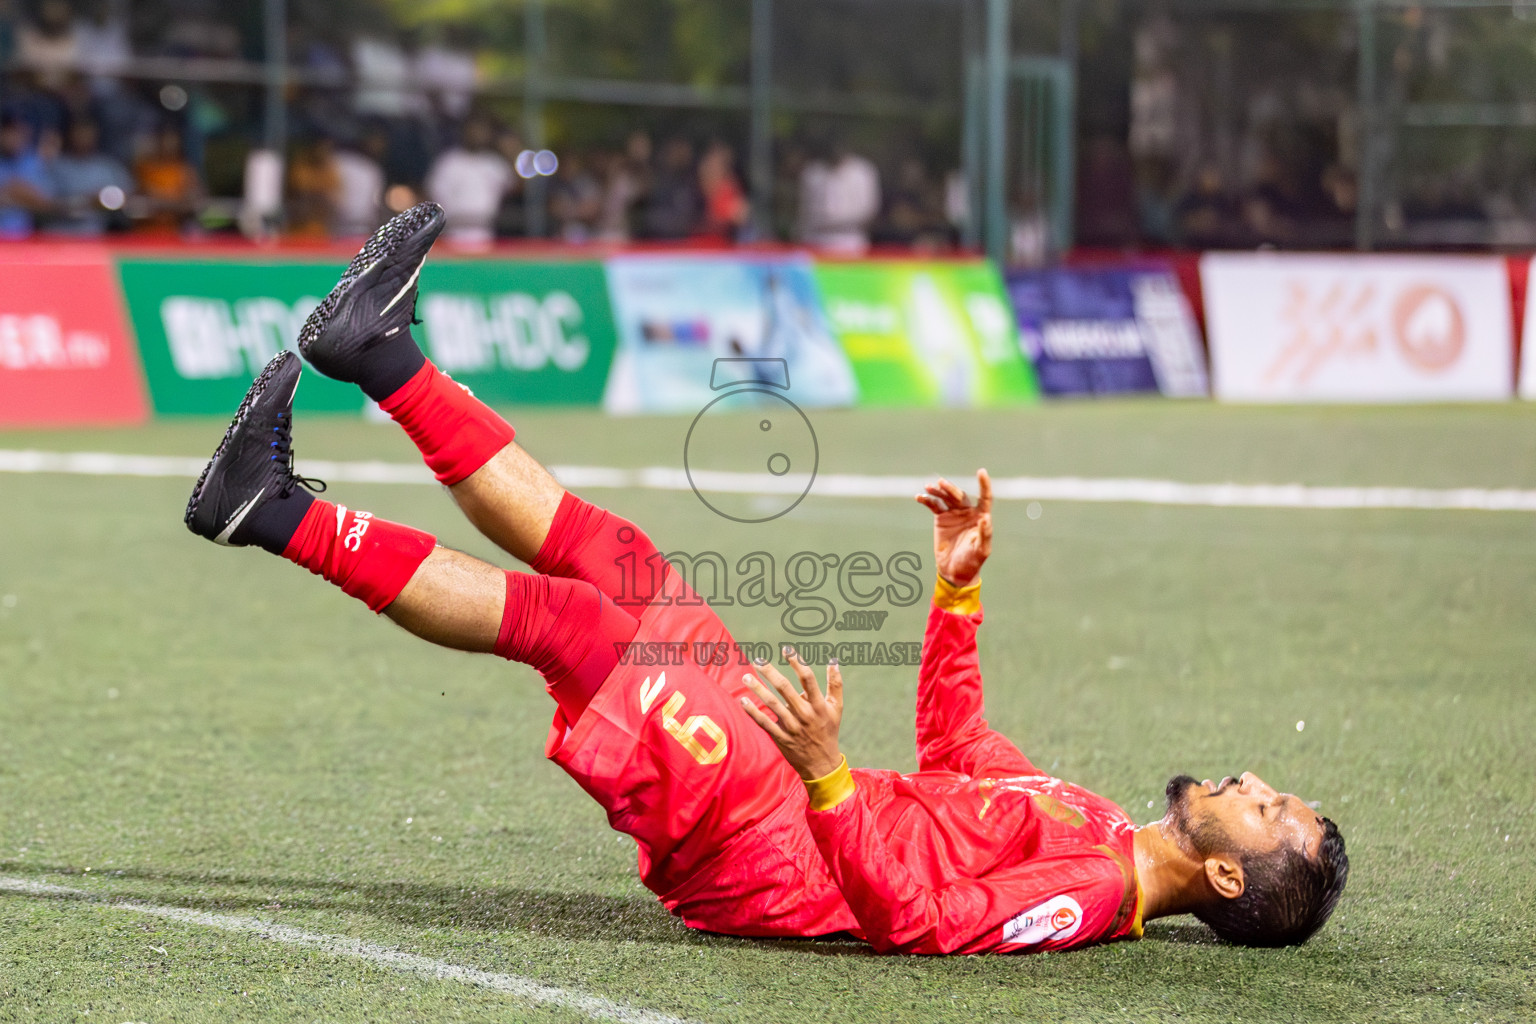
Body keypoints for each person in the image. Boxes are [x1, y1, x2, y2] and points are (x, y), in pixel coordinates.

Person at [184, 203, 1349, 955]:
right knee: (614, 557)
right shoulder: (1098, 823)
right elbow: (958, 748)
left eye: (1269, 806)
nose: (1254, 779)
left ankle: (275, 509)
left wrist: (835, 779)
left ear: (1231, 871)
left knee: (579, 627)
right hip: (783, 793)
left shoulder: (1092, 896)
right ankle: (372, 353)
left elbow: (919, 919)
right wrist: (955, 597)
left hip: (772, 846)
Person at [424, 115, 513, 246]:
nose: (477, 134)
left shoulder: (495, 164)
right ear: (465, 131)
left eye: (482, 130)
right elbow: (432, 196)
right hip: (452, 235)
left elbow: (516, 188)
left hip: (486, 235)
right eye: (474, 129)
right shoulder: (449, 162)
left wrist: (510, 151)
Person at [44, 116, 131, 236]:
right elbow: (42, 201)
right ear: (70, 134)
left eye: (88, 133)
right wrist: (87, 201)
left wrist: (106, 199)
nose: (84, 137)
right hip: (57, 234)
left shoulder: (108, 167)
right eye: (79, 132)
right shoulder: (55, 166)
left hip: (96, 234)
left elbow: (127, 198)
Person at [0, 113, 54, 238]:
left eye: (17, 132)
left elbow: (45, 203)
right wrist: (20, 193)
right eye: (8, 133)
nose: (12, 138)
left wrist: (13, 191)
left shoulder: (35, 162)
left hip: (27, 238)